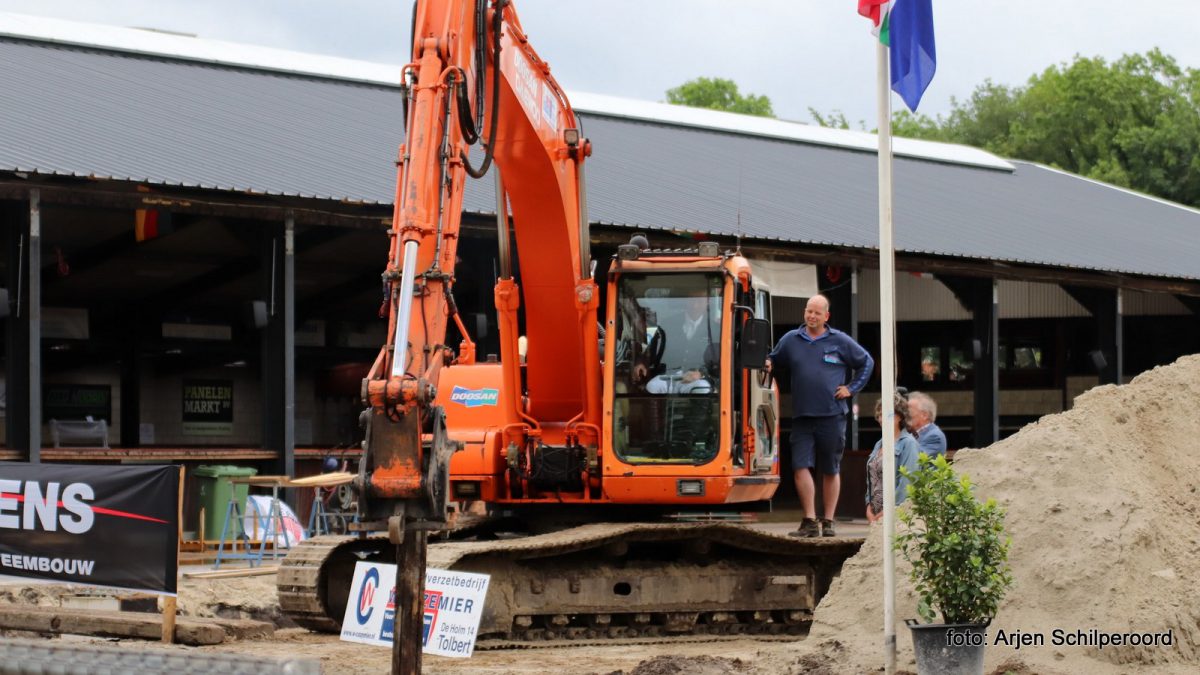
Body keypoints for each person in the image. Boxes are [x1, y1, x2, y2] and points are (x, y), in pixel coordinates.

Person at [766, 294, 874, 538]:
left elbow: (866, 362)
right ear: (804, 312)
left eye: (817, 313)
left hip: (833, 415)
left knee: (830, 468)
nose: (811, 316)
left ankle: (828, 521)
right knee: (800, 466)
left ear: (826, 316)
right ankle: (809, 521)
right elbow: (773, 358)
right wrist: (768, 363)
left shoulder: (840, 341)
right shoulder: (791, 340)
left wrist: (851, 388)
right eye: (808, 311)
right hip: (802, 416)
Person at [865, 393, 920, 523]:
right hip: (875, 515)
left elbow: (907, 483)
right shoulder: (879, 443)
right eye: (879, 415)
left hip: (897, 516)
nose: (880, 419)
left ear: (899, 417)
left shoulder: (909, 443)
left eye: (885, 414)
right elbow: (871, 479)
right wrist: (868, 506)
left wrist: (890, 511)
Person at [906, 391, 947, 458]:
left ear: (925, 415)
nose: (905, 414)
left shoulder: (935, 436)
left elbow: (915, 460)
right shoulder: (912, 433)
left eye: (909, 411)